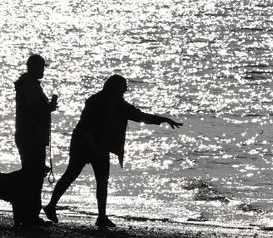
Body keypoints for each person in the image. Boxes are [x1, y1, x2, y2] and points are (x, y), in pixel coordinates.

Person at [43, 74, 182, 228]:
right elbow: (85, 126)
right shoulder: (95, 101)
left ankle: (101, 216)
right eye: (122, 89)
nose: (123, 92)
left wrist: (164, 119)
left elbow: (139, 116)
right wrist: (92, 144)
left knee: (102, 180)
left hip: (102, 147)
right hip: (82, 144)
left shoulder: (121, 105)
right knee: (71, 175)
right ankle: (51, 206)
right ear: (113, 88)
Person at [13, 53, 58, 225]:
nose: (43, 71)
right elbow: (32, 112)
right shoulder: (31, 86)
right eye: (41, 67)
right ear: (33, 68)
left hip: (26, 133)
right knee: (34, 175)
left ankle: (29, 213)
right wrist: (48, 109)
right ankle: (30, 214)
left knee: (31, 173)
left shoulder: (26, 84)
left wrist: (46, 109)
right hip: (31, 135)